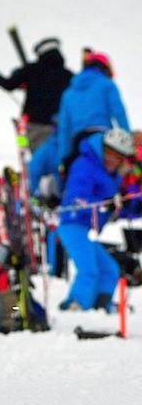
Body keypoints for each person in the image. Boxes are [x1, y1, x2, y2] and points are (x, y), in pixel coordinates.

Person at [30, 50, 130, 198]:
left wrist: (65, 158)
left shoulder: (69, 93)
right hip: (102, 139)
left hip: (78, 142)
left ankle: (59, 198)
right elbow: (119, 114)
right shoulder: (107, 84)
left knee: (79, 181)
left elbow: (64, 129)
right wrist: (128, 144)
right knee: (109, 179)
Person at [57, 127, 135, 312]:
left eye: (118, 156)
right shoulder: (84, 165)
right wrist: (106, 204)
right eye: (109, 152)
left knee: (109, 269)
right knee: (89, 269)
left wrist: (130, 206)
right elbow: (77, 199)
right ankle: (76, 305)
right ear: (102, 148)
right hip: (73, 224)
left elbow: (114, 206)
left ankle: (101, 305)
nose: (112, 159)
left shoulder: (113, 175)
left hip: (88, 229)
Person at [0, 37, 72, 151]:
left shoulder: (31, 70)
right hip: (58, 125)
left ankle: (25, 153)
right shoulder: (68, 75)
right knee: (53, 154)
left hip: (30, 124)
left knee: (28, 148)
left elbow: (9, 84)